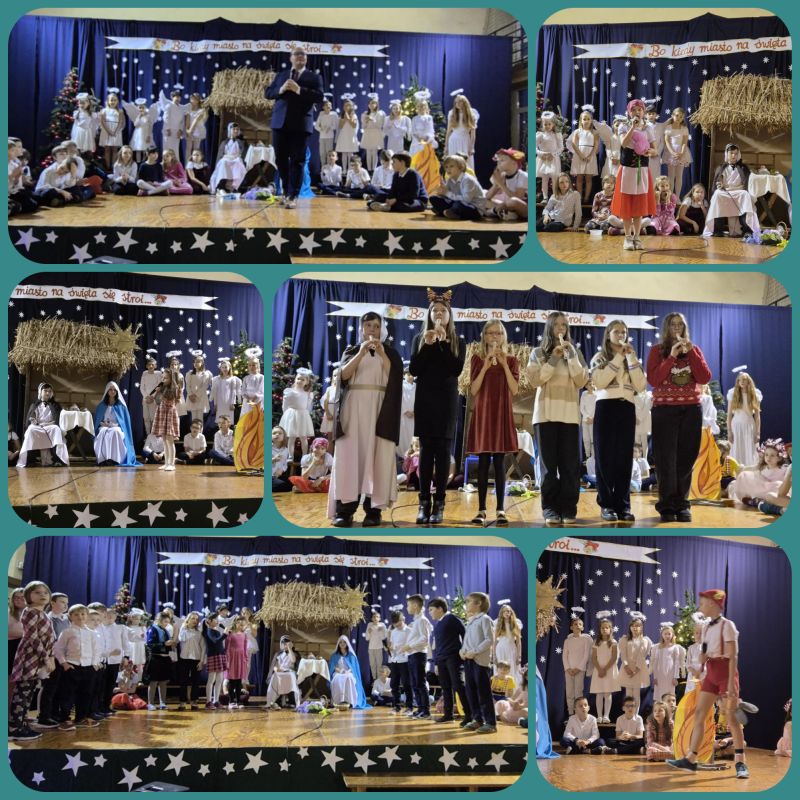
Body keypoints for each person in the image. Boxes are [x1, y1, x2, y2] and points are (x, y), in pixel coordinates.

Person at [328, 312, 403, 527]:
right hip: (353, 409)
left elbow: (394, 377)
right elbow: (343, 376)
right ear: (362, 329)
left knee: (377, 457)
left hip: (381, 410)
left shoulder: (390, 353)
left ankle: (373, 510)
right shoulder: (352, 350)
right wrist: (361, 353)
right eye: (368, 325)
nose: (372, 330)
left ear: (382, 329)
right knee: (349, 457)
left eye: (376, 326)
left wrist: (382, 354)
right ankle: (345, 510)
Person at [667, 589, 750, 779]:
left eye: (703, 603)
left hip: (726, 672)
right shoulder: (706, 628)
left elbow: (733, 656)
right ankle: (691, 759)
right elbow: (704, 652)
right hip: (711, 672)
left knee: (731, 718)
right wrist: (701, 666)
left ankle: (741, 762)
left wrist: (731, 684)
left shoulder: (727, 626)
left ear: (713, 604)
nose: (700, 606)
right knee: (700, 714)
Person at [647, 312, 712, 522]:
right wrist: (672, 356)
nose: (677, 328)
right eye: (673, 325)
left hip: (691, 409)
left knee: (686, 458)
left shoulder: (695, 350)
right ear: (666, 328)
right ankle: (666, 506)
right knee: (665, 460)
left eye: (680, 325)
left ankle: (682, 505)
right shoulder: (657, 351)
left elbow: (704, 377)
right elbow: (654, 380)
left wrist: (691, 353)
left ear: (685, 328)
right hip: (664, 411)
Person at [409, 289, 466, 525]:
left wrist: (442, 343)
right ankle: (423, 502)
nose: (439, 314)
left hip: (446, 402)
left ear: (450, 315)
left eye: (443, 311)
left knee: (443, 453)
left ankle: (439, 502)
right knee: (426, 453)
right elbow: (414, 369)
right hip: (425, 400)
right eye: (435, 311)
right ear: (429, 315)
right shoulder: (419, 339)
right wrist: (428, 344)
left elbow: (455, 369)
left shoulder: (458, 342)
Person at [527, 312, 588, 524]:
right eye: (557, 325)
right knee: (548, 467)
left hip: (569, 416)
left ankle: (569, 509)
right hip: (545, 416)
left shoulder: (575, 353)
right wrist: (553, 358)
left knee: (570, 466)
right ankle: (550, 509)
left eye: (564, 325)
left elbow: (581, 381)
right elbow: (535, 380)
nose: (561, 328)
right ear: (550, 328)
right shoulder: (537, 353)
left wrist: (571, 357)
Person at [590, 319, 646, 522]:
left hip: (627, 407)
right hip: (606, 407)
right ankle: (606, 505)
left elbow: (640, 385)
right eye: (617, 332)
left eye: (624, 332)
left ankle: (623, 505)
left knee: (624, 458)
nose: (621, 335)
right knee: (605, 457)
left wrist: (630, 357)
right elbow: (599, 382)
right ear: (608, 335)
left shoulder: (632, 357)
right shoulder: (600, 357)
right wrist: (618, 357)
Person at [466, 321, 518, 526]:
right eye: (490, 333)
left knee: (499, 462)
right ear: (484, 336)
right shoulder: (477, 359)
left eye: (498, 333)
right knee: (483, 461)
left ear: (503, 336)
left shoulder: (512, 360)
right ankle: (481, 509)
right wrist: (485, 366)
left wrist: (504, 365)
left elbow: (514, 389)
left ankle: (500, 509)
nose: (494, 337)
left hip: (501, 413)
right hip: (484, 414)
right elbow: (474, 389)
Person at [265, 46, 324, 207]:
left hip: (300, 125)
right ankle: (285, 191)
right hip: (280, 124)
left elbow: (319, 97)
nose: (300, 56)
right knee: (280, 159)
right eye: (296, 54)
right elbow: (268, 93)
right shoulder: (281, 75)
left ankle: (293, 195)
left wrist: (299, 90)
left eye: (303, 54)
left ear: (306, 59)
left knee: (297, 161)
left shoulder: (314, 77)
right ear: (290, 58)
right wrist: (281, 89)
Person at [8, 581, 56, 741]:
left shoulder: (43, 614)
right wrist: (46, 658)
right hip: (29, 656)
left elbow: (50, 639)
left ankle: (21, 724)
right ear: (28, 596)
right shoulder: (30, 612)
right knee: (22, 692)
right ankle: (14, 728)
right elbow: (32, 637)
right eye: (37, 592)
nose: (42, 595)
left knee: (29, 693)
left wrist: (50, 657)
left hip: (39, 657)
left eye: (45, 592)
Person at [610, 99, 658, 251]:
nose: (637, 112)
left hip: (642, 170)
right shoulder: (623, 126)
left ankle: (637, 237)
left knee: (638, 205)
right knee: (627, 206)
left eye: (640, 109)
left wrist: (650, 151)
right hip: (627, 171)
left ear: (644, 112)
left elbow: (655, 150)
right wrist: (633, 127)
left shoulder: (649, 128)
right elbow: (624, 143)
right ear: (629, 112)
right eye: (634, 110)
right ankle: (627, 238)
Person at [53, 604, 100, 728]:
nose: (80, 616)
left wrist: (94, 664)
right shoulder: (67, 632)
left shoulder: (92, 633)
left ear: (87, 616)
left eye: (83, 614)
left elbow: (96, 650)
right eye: (76, 614)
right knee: (68, 694)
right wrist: (64, 663)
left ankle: (81, 718)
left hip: (89, 667)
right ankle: (65, 718)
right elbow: (58, 649)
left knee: (86, 693)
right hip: (72, 666)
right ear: (71, 616)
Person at [428, 597, 471, 726]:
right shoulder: (438, 625)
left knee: (458, 685)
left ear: (440, 609)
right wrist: (436, 663)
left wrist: (463, 650)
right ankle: (448, 715)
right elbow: (437, 646)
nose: (430, 613)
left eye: (431, 610)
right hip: (441, 660)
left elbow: (465, 633)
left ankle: (469, 715)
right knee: (445, 687)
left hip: (453, 657)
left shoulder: (451, 618)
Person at [460, 591, 496, 733]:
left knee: (483, 692)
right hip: (468, 660)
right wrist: (462, 651)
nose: (467, 604)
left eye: (469, 601)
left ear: (479, 603)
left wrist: (474, 651)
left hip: (480, 661)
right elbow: (467, 640)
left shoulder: (485, 619)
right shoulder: (471, 621)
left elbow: (489, 640)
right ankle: (477, 719)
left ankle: (490, 723)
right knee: (471, 691)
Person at [704, 144, 757, 238]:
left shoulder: (743, 167)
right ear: (726, 154)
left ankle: (746, 229)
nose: (733, 156)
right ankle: (718, 229)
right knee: (717, 195)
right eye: (731, 153)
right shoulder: (721, 167)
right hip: (725, 192)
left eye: (736, 153)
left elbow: (747, 183)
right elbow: (717, 183)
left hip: (739, 191)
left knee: (745, 195)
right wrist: (719, 185)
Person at [17, 383, 68, 468]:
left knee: (56, 429)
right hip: (38, 426)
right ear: (40, 392)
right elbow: (31, 417)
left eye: (50, 391)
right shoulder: (34, 404)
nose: (48, 393)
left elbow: (57, 420)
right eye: (45, 391)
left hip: (50, 425)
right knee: (30, 430)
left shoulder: (55, 405)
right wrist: (33, 420)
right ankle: (30, 460)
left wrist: (48, 424)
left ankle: (57, 459)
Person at [728, 439, 788, 505]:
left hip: (772, 491)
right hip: (760, 489)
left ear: (779, 458)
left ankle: (760, 501)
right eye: (766, 455)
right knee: (745, 475)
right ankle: (755, 499)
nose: (769, 458)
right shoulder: (763, 467)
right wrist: (742, 468)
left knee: (778, 485)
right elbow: (752, 469)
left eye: (772, 455)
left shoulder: (783, 469)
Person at [93, 381, 139, 467]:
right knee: (102, 432)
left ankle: (115, 459)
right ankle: (103, 459)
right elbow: (98, 420)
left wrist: (115, 425)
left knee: (116, 432)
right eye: (110, 389)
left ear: (117, 392)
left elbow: (124, 422)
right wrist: (102, 423)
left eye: (114, 390)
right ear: (107, 391)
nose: (112, 391)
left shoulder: (121, 406)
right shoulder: (101, 405)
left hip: (116, 427)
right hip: (104, 426)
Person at [403, 594, 432, 719]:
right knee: (415, 684)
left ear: (415, 605)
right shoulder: (416, 621)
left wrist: (410, 645)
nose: (407, 607)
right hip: (412, 654)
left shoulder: (422, 620)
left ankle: (426, 711)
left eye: (408, 605)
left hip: (419, 655)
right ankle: (420, 708)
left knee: (420, 683)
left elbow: (425, 639)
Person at [429, 154, 485, 220]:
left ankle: (446, 212)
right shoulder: (450, 180)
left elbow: (466, 200)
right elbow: (448, 196)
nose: (448, 169)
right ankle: (449, 212)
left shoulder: (468, 180)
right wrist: (441, 193)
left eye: (451, 166)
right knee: (433, 198)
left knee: (458, 204)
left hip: (474, 207)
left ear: (461, 167)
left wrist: (447, 193)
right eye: (446, 167)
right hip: (457, 203)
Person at [690, 384, 722, 500]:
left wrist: (703, 421)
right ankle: (694, 491)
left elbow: (710, 415)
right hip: (693, 430)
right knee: (695, 460)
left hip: (704, 431)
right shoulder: (691, 398)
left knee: (704, 460)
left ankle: (704, 490)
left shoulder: (707, 398)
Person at [617, 611, 652, 716]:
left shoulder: (644, 641)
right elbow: (623, 654)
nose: (635, 628)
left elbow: (641, 656)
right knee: (628, 693)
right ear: (630, 627)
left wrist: (636, 670)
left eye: (637, 626)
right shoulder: (625, 639)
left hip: (639, 669)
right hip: (627, 669)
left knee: (636, 693)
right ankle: (628, 714)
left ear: (641, 627)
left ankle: (635, 715)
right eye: (633, 626)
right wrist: (626, 666)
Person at [151, 365, 184, 471]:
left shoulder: (175, 388)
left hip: (169, 413)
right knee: (164, 440)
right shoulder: (163, 387)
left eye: (166, 378)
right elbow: (157, 401)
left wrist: (160, 391)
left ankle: (172, 464)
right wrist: (157, 392)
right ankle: (166, 463)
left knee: (170, 440)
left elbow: (170, 399)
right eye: (163, 377)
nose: (163, 379)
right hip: (162, 412)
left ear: (171, 379)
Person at [726, 371, 762, 468]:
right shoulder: (733, 394)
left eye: (744, 380)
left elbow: (757, 416)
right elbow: (729, 415)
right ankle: (736, 471)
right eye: (739, 380)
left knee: (750, 449)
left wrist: (758, 433)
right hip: (736, 426)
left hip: (749, 425)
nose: (742, 382)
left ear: (748, 381)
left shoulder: (755, 394)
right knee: (736, 448)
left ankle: (750, 472)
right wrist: (729, 431)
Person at [589, 612, 619, 723]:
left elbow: (614, 657)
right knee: (599, 693)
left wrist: (605, 669)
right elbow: (594, 658)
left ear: (610, 629)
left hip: (609, 670)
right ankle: (599, 716)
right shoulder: (596, 642)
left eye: (607, 628)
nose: (605, 629)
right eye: (602, 628)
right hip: (598, 670)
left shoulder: (613, 642)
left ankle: (606, 716)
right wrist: (599, 669)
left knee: (607, 693)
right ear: (600, 629)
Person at [279, 369, 315, 458]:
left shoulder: (308, 394)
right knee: (291, 437)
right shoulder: (290, 392)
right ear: (295, 379)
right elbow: (285, 405)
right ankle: (290, 456)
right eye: (298, 379)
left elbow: (308, 406)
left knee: (303, 437)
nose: (300, 381)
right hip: (291, 415)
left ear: (307, 382)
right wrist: (285, 414)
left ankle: (304, 456)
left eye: (303, 380)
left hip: (302, 416)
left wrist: (306, 415)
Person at [487, 148, 528, 221]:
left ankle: (494, 211)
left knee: (513, 201)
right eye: (498, 160)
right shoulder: (502, 175)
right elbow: (488, 196)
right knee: (482, 198)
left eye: (502, 160)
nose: (498, 163)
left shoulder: (523, 176)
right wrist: (496, 184)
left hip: (523, 209)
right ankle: (508, 213)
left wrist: (501, 184)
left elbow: (518, 198)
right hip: (506, 205)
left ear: (514, 162)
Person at [569, 106, 600, 204]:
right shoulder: (577, 132)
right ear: (581, 121)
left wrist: (590, 156)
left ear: (591, 120)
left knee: (588, 178)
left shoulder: (595, 132)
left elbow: (596, 145)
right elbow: (574, 144)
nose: (586, 121)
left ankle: (586, 198)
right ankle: (579, 197)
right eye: (584, 119)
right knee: (579, 177)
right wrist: (581, 155)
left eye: (588, 119)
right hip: (579, 155)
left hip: (590, 156)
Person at [329, 635, 368, 708]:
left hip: (348, 672)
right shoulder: (335, 655)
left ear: (347, 644)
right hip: (338, 672)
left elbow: (353, 668)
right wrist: (340, 671)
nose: (342, 644)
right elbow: (333, 667)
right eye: (340, 642)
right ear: (338, 644)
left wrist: (347, 671)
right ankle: (338, 701)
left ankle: (350, 701)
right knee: (337, 679)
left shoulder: (351, 655)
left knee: (349, 678)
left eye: (344, 642)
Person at [145, 611, 174, 710]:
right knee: (153, 681)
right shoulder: (152, 629)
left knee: (163, 681)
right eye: (165, 621)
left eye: (168, 622)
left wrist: (171, 644)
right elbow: (150, 644)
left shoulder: (165, 630)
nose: (167, 624)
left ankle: (163, 703)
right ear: (159, 620)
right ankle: (150, 703)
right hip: (155, 658)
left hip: (165, 658)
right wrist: (163, 644)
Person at [177, 611, 205, 710]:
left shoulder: (199, 632)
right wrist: (184, 627)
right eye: (193, 618)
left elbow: (203, 647)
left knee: (196, 682)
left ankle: (194, 701)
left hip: (196, 659)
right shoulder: (183, 630)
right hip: (184, 658)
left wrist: (201, 661)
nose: (195, 621)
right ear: (188, 620)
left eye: (196, 619)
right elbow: (181, 638)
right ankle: (182, 702)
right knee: (183, 681)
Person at [661, 107, 692, 196]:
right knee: (671, 175)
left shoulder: (684, 128)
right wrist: (672, 152)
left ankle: (677, 196)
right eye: (677, 115)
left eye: (681, 117)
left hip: (681, 153)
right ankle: (670, 196)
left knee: (679, 176)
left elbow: (684, 142)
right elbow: (667, 141)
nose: (679, 118)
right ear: (672, 115)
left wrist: (681, 153)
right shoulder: (668, 127)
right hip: (671, 152)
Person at [210, 123, 248, 194]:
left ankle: (232, 186)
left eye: (237, 129)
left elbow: (244, 153)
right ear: (229, 130)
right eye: (234, 129)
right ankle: (221, 186)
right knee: (223, 163)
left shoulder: (241, 142)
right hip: (226, 159)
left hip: (236, 159)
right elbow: (220, 154)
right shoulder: (225, 142)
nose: (235, 131)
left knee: (239, 165)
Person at [651, 622, 682, 706]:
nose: (667, 636)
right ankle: (659, 710)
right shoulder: (657, 647)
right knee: (659, 694)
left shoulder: (675, 647)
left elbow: (677, 663)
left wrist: (675, 677)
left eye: (669, 634)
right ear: (662, 635)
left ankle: (670, 712)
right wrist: (655, 677)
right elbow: (655, 663)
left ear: (672, 635)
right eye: (665, 634)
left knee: (669, 694)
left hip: (670, 675)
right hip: (660, 675)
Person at [445, 92, 479, 170]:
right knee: (453, 162)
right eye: (456, 102)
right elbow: (448, 131)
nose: (458, 104)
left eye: (460, 102)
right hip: (453, 140)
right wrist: (446, 146)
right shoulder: (452, 114)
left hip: (465, 140)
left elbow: (473, 134)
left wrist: (472, 147)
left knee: (466, 163)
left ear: (464, 102)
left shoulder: (471, 114)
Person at [387, 610, 412, 714]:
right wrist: (391, 648)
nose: (397, 626)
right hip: (394, 660)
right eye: (395, 624)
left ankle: (409, 707)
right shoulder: (393, 632)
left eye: (399, 624)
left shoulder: (409, 631)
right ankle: (396, 706)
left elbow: (412, 646)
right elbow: (392, 644)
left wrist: (404, 649)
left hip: (405, 660)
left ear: (403, 619)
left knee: (407, 684)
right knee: (394, 684)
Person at [266, 635, 300, 709]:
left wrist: (289, 648)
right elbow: (275, 666)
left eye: (286, 643)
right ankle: (272, 701)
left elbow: (293, 660)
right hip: (280, 672)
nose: (285, 645)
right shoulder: (278, 654)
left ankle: (294, 701)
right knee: (274, 677)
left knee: (293, 677)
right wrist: (276, 669)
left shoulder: (294, 653)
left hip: (290, 672)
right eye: (283, 643)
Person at [493, 604, 524, 688]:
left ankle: (513, 691)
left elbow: (518, 642)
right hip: (500, 650)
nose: (507, 613)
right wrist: (494, 656)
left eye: (509, 611)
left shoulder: (516, 623)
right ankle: (501, 691)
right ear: (502, 613)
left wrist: (519, 656)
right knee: (501, 670)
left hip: (512, 649)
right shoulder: (497, 624)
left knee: (513, 669)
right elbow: (494, 641)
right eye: (505, 611)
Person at [535, 111, 563, 199]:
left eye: (549, 124)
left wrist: (553, 154)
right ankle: (545, 197)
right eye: (545, 124)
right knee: (545, 178)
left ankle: (555, 196)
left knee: (555, 178)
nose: (547, 126)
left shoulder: (556, 135)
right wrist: (541, 154)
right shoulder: (540, 135)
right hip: (543, 159)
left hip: (553, 159)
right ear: (542, 125)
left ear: (553, 124)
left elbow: (561, 148)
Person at [202, 613, 227, 709]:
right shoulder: (209, 631)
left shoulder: (216, 631)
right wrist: (225, 634)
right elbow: (215, 641)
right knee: (211, 679)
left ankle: (216, 700)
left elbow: (219, 643)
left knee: (219, 679)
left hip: (220, 655)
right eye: (215, 619)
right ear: (209, 621)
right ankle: (208, 702)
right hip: (213, 656)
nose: (217, 621)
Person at [223, 617, 249, 709]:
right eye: (239, 623)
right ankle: (231, 701)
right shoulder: (230, 634)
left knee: (238, 681)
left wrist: (246, 659)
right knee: (232, 681)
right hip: (232, 659)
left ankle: (239, 701)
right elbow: (227, 648)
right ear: (235, 623)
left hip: (240, 659)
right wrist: (227, 660)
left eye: (243, 624)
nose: (241, 625)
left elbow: (245, 648)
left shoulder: (244, 635)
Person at [158, 88, 187, 161]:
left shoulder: (181, 108)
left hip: (176, 132)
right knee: (167, 149)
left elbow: (182, 121)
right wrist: (168, 129)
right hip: (169, 131)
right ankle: (166, 165)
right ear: (172, 97)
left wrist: (180, 130)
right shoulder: (169, 106)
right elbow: (166, 118)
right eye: (176, 97)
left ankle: (176, 165)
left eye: (179, 97)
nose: (178, 98)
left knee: (175, 150)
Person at [98, 90, 124, 170]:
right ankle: (108, 167)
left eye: (115, 100)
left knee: (115, 149)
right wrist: (109, 131)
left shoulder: (120, 111)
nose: (113, 102)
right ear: (108, 101)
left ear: (117, 101)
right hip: (106, 131)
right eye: (111, 100)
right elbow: (102, 122)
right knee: (107, 149)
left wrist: (116, 132)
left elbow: (121, 122)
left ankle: (113, 167)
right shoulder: (104, 111)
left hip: (116, 131)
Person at [185, 352, 213, 427]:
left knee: (200, 418)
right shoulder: (190, 374)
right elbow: (188, 385)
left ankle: (200, 433)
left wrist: (196, 395)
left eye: (198, 362)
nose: (196, 363)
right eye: (194, 362)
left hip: (201, 398)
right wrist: (190, 395)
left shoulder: (206, 374)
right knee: (194, 418)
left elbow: (204, 386)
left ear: (202, 363)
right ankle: (194, 432)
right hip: (191, 398)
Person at [361, 93, 386, 172]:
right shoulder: (365, 114)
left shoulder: (380, 113)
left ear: (377, 104)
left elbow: (380, 125)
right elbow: (363, 127)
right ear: (368, 105)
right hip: (368, 134)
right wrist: (366, 121)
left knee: (374, 152)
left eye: (374, 103)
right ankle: (369, 170)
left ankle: (374, 170)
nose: (372, 105)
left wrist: (372, 119)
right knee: (368, 152)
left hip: (376, 134)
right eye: (370, 103)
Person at [140, 352, 162, 434]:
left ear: (155, 366)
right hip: (145, 399)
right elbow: (142, 387)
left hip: (154, 399)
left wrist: (152, 397)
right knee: (146, 418)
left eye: (152, 365)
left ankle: (153, 435)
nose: (151, 366)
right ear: (146, 366)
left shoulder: (158, 374)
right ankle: (148, 435)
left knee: (153, 418)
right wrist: (147, 396)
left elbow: (159, 386)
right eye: (149, 365)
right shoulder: (144, 374)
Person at [314, 97, 339, 167]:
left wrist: (329, 128)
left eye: (330, 105)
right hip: (322, 137)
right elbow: (316, 126)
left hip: (330, 137)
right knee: (322, 153)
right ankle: (323, 168)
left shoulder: (334, 115)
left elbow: (335, 126)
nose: (328, 106)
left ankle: (329, 167)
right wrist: (321, 129)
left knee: (329, 153)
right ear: (323, 107)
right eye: (327, 105)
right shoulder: (321, 114)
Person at [365, 610, 388, 683]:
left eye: (377, 617)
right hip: (371, 648)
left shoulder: (382, 625)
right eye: (374, 617)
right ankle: (374, 679)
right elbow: (367, 638)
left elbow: (384, 637)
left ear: (380, 618)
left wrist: (381, 631)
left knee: (379, 664)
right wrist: (369, 632)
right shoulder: (369, 625)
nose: (375, 618)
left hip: (379, 647)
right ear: (372, 618)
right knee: (372, 664)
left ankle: (378, 679)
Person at [272, 425, 291, 492]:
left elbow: (285, 464)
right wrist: (273, 459)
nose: (277, 434)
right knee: (283, 485)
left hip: (279, 475)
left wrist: (282, 470)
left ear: (284, 436)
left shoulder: (286, 450)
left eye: (280, 433)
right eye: (274, 433)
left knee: (291, 483)